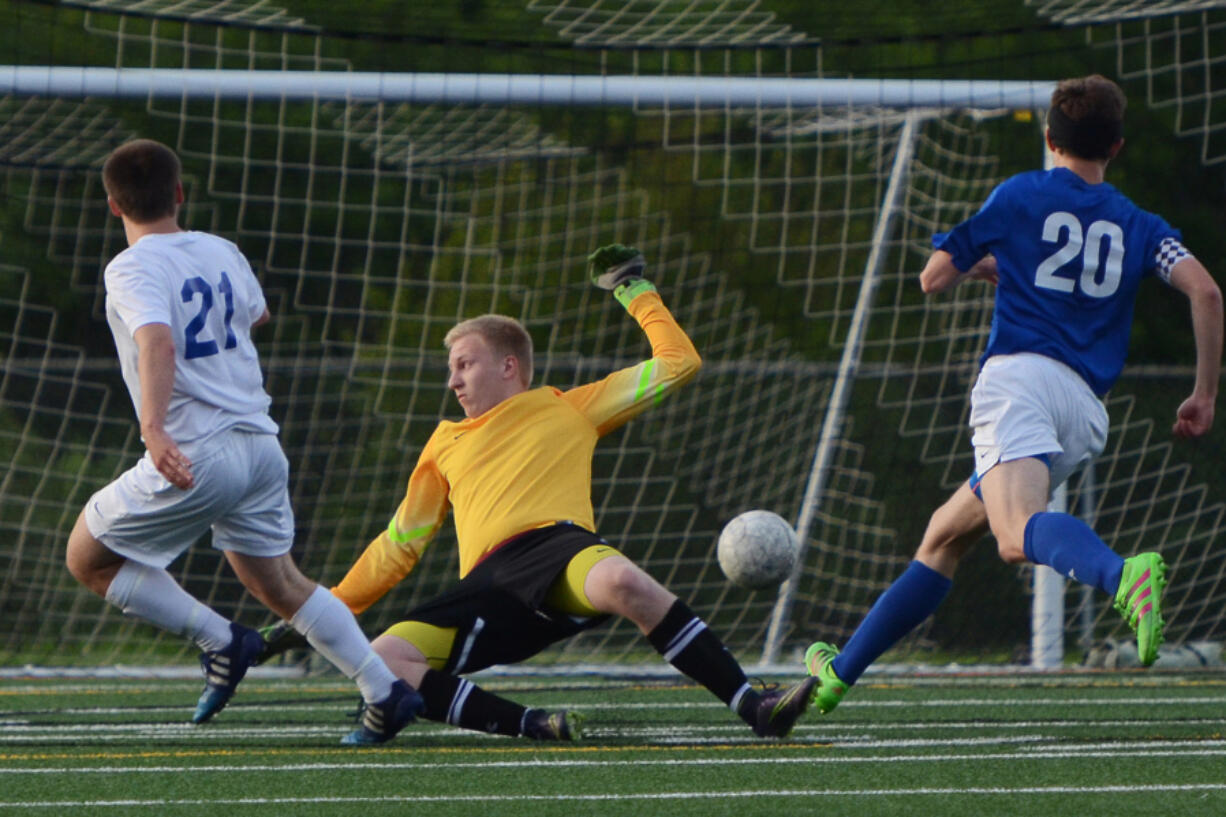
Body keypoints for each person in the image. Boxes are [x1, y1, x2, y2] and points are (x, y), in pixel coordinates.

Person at [263, 244, 816, 741]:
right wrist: (326, 611)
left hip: (561, 555)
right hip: (489, 585)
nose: (452, 381)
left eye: (464, 364)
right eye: (451, 368)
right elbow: (398, 544)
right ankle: (530, 724)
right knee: (384, 660)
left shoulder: (567, 406)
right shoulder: (443, 444)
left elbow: (679, 363)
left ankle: (754, 705)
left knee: (623, 579)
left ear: (509, 366)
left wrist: (633, 288)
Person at [804, 74, 1223, 713]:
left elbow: (933, 278)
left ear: (1049, 137)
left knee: (1011, 534)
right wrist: (1203, 394)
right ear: (1116, 146)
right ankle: (840, 674)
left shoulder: (1021, 194)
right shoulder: (1140, 224)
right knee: (944, 535)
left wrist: (990, 264)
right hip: (1083, 411)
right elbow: (1206, 292)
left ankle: (1121, 575)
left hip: (1020, 381)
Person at [64, 138, 423, 745]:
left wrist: (153, 431)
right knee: (279, 583)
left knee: (87, 558)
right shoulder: (220, 249)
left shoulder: (128, 267)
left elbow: (156, 341)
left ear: (112, 205)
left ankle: (222, 641)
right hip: (259, 444)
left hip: (199, 451)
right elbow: (256, 315)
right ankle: (384, 690)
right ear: (179, 193)